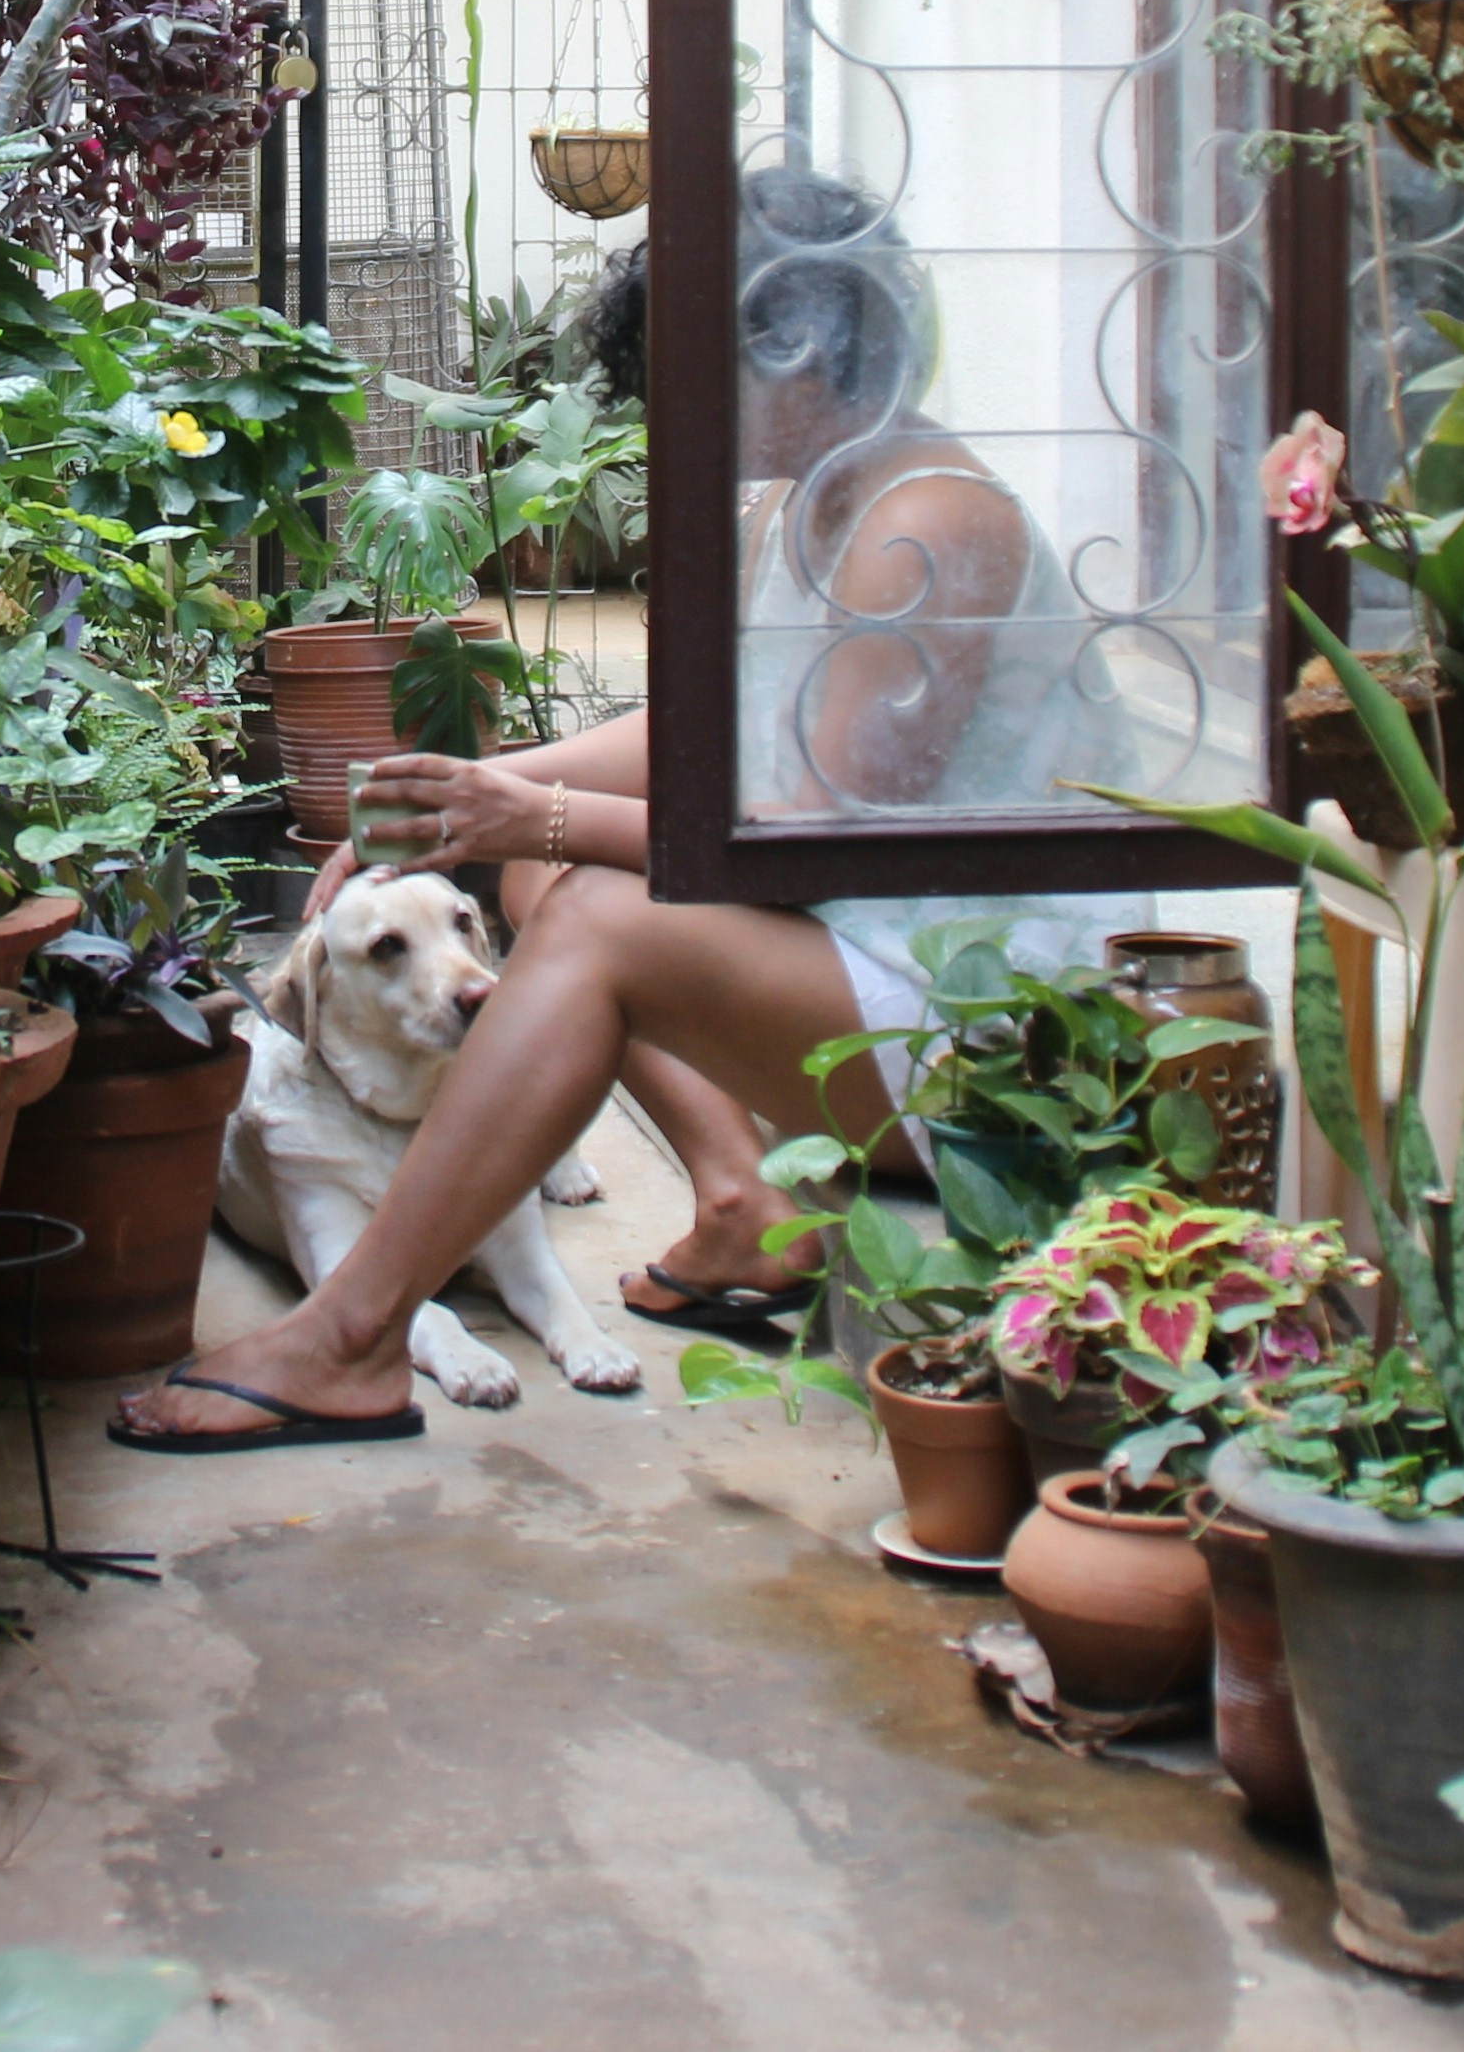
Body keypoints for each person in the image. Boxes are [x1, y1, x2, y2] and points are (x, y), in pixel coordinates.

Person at [115, 167, 1148, 1451]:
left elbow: (801, 840)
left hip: (1005, 1031)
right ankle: (740, 1204)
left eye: (691, 368)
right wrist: (470, 801)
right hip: (893, 963)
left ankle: (353, 1339)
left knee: (594, 910)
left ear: (799, 341)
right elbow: (705, 738)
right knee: (548, 878)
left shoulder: (927, 525)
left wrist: (529, 819)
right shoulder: (812, 499)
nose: (673, 408)